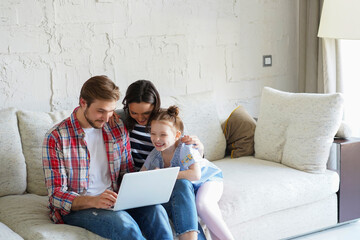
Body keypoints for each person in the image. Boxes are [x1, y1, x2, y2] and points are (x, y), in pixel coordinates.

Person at [42, 75, 173, 240]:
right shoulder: (56, 137)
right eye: (101, 111)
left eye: (111, 111)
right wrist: (94, 201)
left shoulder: (116, 126)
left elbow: (128, 172)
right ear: (83, 102)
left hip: (117, 199)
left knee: (157, 211)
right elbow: (56, 195)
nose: (106, 118)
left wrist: (145, 183)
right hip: (78, 208)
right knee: (125, 225)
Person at [119, 80, 206, 240]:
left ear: (155, 107)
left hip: (171, 182)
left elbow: (184, 153)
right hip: (144, 182)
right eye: (134, 113)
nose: (140, 118)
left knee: (183, 185)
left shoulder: (165, 122)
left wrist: (199, 148)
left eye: (146, 113)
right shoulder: (122, 123)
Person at [141, 106, 235, 240]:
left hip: (208, 180)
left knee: (202, 204)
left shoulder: (184, 149)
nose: (156, 139)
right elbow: (142, 175)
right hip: (191, 188)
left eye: (163, 134)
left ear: (177, 135)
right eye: (153, 133)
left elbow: (195, 175)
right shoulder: (155, 155)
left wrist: (163, 174)